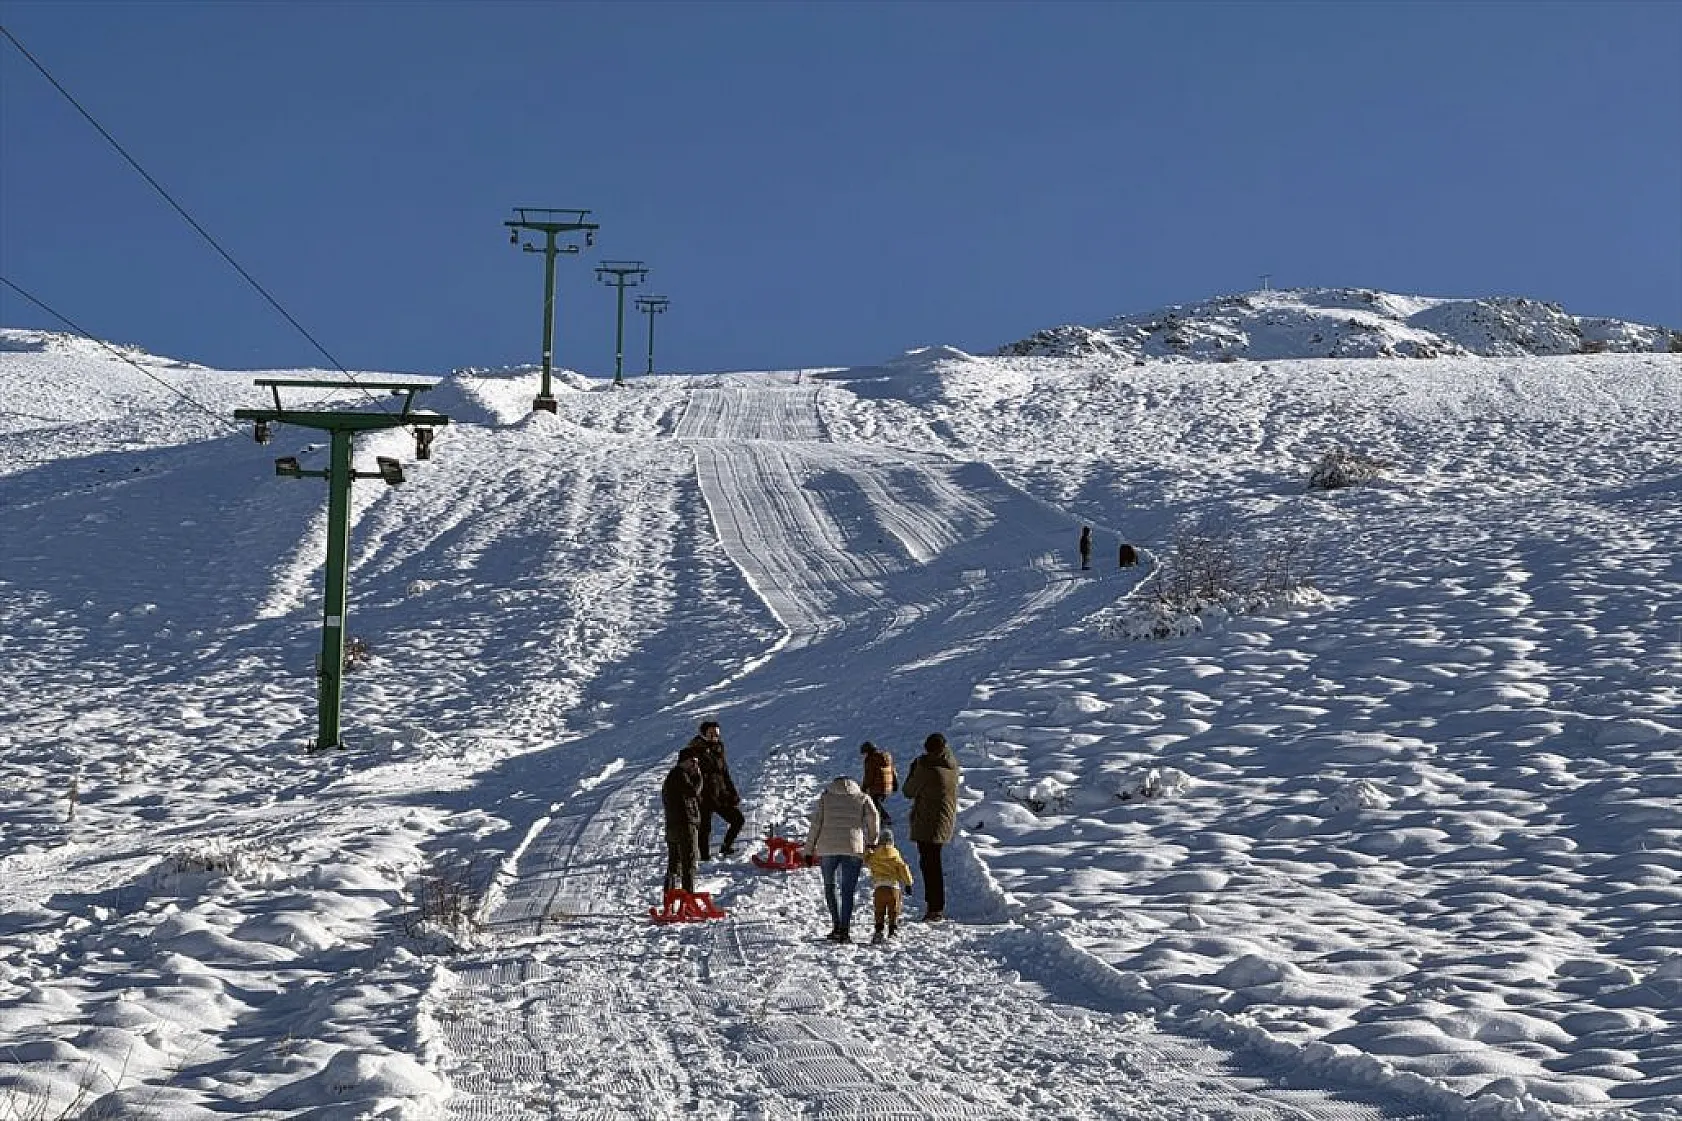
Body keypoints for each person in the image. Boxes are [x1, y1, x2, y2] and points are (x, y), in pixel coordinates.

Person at [804, 774, 880, 943]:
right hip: (853, 848)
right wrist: (872, 842)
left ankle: (836, 925)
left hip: (827, 847)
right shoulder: (862, 797)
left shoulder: (826, 797)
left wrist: (808, 851)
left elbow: (816, 823)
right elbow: (874, 817)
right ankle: (845, 930)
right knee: (847, 890)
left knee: (830, 886)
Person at [902, 732, 960, 922]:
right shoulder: (951, 763)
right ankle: (935, 905)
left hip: (929, 821)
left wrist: (915, 769)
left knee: (930, 865)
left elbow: (908, 791)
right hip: (944, 819)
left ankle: (935, 907)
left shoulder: (928, 769)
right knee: (932, 863)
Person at [688, 720, 745, 859]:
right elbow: (689, 774)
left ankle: (726, 846)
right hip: (704, 796)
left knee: (738, 819)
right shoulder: (695, 750)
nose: (715, 736)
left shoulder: (719, 748)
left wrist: (733, 792)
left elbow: (724, 773)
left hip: (720, 794)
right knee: (704, 829)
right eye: (711, 733)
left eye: (717, 733)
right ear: (704, 733)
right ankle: (704, 856)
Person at [661, 746, 704, 894]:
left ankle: (669, 898)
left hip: (673, 826)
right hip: (685, 826)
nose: (695, 766)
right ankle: (688, 900)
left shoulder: (673, 777)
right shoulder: (679, 775)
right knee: (689, 863)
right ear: (685, 761)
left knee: (675, 864)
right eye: (693, 762)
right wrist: (699, 778)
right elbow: (692, 792)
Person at [863, 829, 914, 944]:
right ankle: (892, 931)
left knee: (879, 910)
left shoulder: (875, 856)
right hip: (893, 888)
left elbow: (866, 861)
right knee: (894, 910)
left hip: (879, 888)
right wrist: (908, 883)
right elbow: (903, 867)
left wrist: (868, 850)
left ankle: (878, 931)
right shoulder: (895, 855)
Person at [859, 740, 897, 824]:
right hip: (887, 785)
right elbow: (892, 771)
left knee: (874, 803)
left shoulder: (871, 760)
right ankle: (883, 819)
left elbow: (869, 775)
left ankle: (884, 819)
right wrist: (894, 783)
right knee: (876, 802)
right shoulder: (886, 757)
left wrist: (864, 787)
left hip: (877, 787)